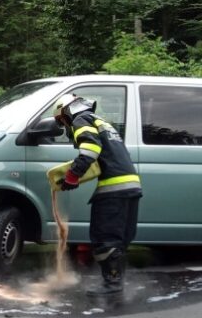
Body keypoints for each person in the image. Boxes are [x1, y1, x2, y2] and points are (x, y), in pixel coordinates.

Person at [53, 93, 141, 303]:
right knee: (118, 240)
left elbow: (90, 150)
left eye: (62, 121)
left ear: (66, 112)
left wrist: (72, 176)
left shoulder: (81, 119)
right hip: (131, 186)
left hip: (113, 189)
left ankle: (112, 286)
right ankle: (115, 284)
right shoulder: (101, 122)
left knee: (104, 238)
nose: (64, 125)